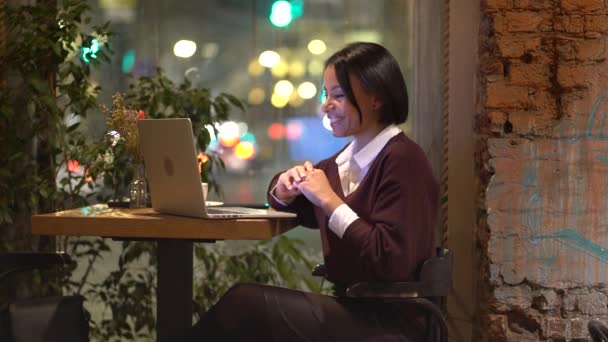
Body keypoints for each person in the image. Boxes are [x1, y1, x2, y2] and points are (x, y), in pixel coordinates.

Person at [189, 42, 439, 341]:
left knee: (243, 303)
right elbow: (300, 209)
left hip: (391, 321)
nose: (326, 105)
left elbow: (391, 260)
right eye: (326, 94)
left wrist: (330, 200)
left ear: (376, 99)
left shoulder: (402, 159)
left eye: (338, 96)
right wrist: (283, 187)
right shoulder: (345, 161)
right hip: (352, 310)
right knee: (244, 309)